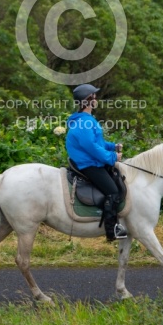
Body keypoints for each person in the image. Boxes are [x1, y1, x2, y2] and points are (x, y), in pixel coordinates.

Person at [66, 84, 128, 241]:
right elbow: (92, 147)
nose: (96, 99)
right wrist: (112, 157)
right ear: (88, 100)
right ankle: (111, 230)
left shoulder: (87, 119)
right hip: (88, 164)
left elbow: (98, 142)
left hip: (92, 160)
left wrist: (113, 146)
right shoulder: (83, 123)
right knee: (113, 191)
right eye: (94, 96)